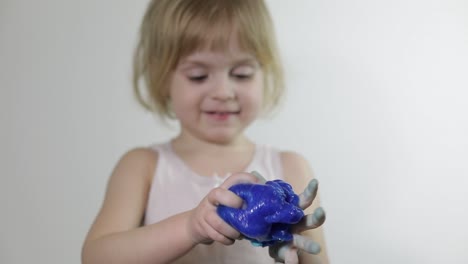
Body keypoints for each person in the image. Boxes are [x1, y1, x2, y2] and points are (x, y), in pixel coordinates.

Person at [81, 0, 329, 263]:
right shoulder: (142, 167)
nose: (223, 92)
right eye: (198, 75)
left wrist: (293, 239)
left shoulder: (289, 168)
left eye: (242, 74)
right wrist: (190, 227)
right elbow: (96, 257)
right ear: (163, 78)